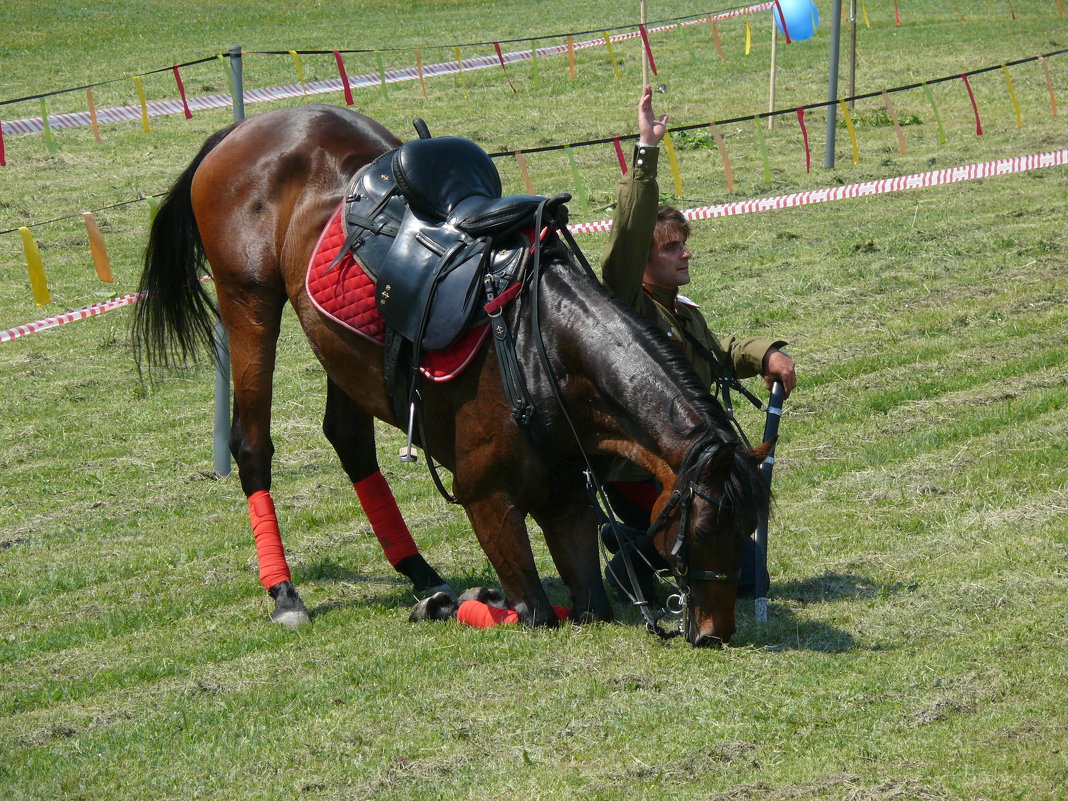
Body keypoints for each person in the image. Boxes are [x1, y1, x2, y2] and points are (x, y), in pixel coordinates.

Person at [599, 86, 797, 603]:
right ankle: (632, 559)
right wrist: (646, 151)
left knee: (739, 560)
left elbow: (718, 349)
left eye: (686, 243)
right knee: (742, 572)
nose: (686, 254)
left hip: (689, 460)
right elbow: (626, 232)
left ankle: (634, 552)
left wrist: (765, 353)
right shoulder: (625, 305)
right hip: (638, 468)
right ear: (644, 258)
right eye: (671, 247)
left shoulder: (682, 311)